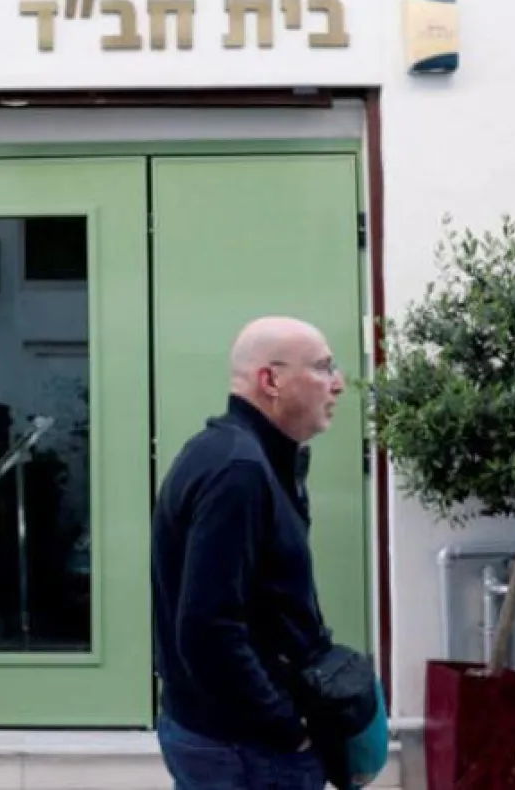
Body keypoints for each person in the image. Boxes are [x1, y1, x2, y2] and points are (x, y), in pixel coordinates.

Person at [151, 316, 345, 790]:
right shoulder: (236, 470)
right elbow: (207, 628)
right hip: (244, 750)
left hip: (237, 741)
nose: (337, 384)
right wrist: (285, 725)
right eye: (323, 368)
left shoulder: (247, 458)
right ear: (271, 380)